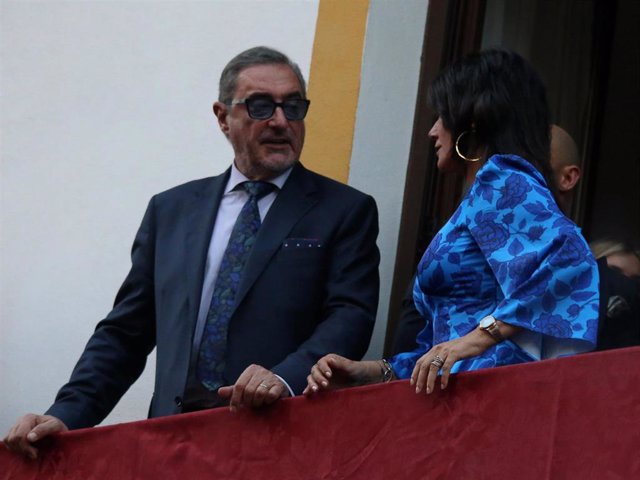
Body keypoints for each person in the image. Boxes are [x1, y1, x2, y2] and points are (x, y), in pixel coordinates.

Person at [4, 46, 380, 459]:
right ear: (223, 117)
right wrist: (68, 414)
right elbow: (126, 332)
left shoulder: (344, 210)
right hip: (171, 443)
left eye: (293, 106)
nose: (280, 121)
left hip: (280, 438)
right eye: (260, 106)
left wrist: (283, 379)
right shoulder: (171, 210)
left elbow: (350, 317)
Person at [305, 49, 599, 397]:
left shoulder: (501, 179)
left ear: (471, 121)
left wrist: (477, 339)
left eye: (441, 116)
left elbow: (569, 261)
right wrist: (373, 371)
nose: (432, 131)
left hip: (492, 398)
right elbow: (442, 347)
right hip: (457, 401)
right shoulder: (482, 194)